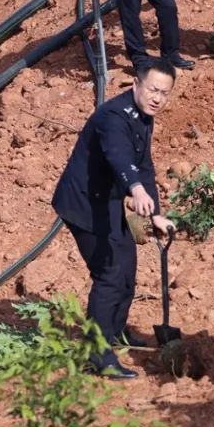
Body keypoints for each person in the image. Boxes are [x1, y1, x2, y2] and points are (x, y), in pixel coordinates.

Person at [53, 58, 176, 377]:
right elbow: (120, 158)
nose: (157, 98)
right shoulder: (113, 117)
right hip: (83, 205)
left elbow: (143, 166)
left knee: (127, 268)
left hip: (107, 203)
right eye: (152, 90)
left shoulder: (144, 118)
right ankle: (96, 354)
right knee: (109, 274)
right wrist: (134, 189)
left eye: (164, 93)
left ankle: (115, 330)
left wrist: (156, 216)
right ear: (135, 84)